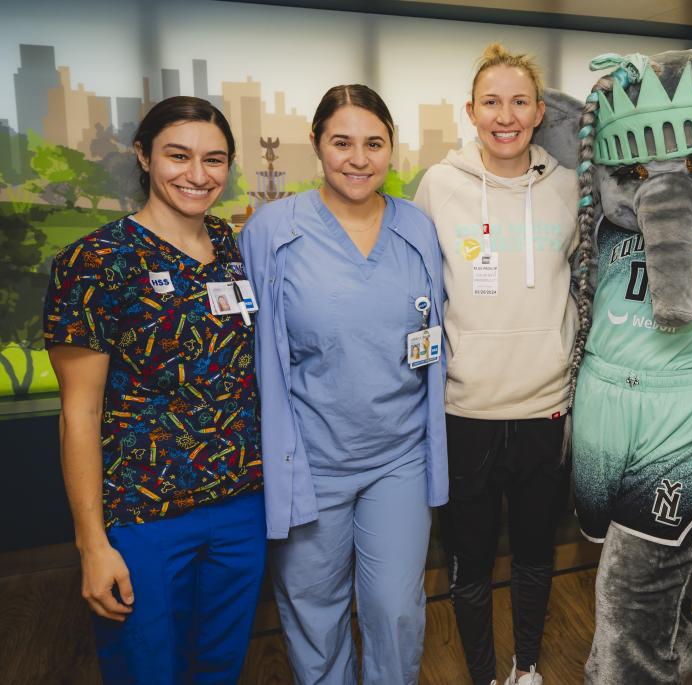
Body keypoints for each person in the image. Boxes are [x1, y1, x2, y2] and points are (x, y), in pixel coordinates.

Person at [44, 96, 265, 684]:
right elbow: (78, 413)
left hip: (241, 504)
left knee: (221, 667)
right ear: (143, 155)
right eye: (178, 155)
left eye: (214, 159)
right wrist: (92, 543)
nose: (198, 175)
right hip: (142, 516)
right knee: (146, 670)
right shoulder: (96, 261)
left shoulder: (235, 250)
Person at [240, 84, 447, 685]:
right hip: (309, 461)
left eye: (374, 143)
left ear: (391, 148)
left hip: (398, 458)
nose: (359, 159)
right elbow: (252, 355)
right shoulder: (272, 233)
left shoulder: (417, 230)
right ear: (316, 144)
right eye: (342, 143)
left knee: (395, 610)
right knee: (314, 614)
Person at [414, 43, 578, 685]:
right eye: (491, 103)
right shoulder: (439, 185)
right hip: (465, 411)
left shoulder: (568, 188)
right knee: (470, 562)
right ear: (471, 113)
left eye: (518, 102)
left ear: (539, 113)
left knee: (537, 556)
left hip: (546, 408)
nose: (504, 115)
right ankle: (484, 674)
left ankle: (527, 667)